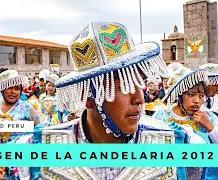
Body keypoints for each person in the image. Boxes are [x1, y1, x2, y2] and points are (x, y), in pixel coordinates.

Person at [30, 21, 189, 179]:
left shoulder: (173, 143)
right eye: (124, 87)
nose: (140, 99)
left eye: (140, 85)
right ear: (87, 97)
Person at [153, 65, 218, 179]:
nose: (197, 101)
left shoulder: (208, 117)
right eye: (191, 95)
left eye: (201, 96)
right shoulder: (161, 117)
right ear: (180, 94)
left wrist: (210, 128)